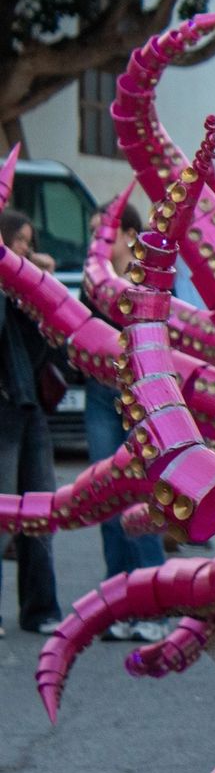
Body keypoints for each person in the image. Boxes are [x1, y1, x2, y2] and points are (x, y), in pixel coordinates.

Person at [84, 201, 167, 642]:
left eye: (104, 233)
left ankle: (153, 606)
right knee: (104, 494)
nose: (96, 242)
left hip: (141, 396)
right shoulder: (92, 284)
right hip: (100, 395)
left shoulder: (147, 280)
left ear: (131, 237)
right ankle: (117, 606)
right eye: (94, 232)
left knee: (139, 497)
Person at [0, 209, 61, 637]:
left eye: (30, 241)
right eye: (21, 241)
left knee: (38, 510)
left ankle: (40, 609)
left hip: (30, 409)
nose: (29, 249)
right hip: (3, 408)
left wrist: (41, 281)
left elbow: (54, 331)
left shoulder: (30, 284)